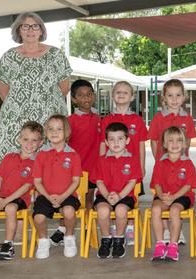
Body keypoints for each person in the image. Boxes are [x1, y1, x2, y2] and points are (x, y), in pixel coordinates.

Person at [0, 12, 72, 163]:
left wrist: (44, 104)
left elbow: (64, 87)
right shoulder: (8, 57)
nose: (31, 30)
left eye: (35, 26)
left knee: (50, 163)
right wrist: (21, 107)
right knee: (13, 164)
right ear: (18, 30)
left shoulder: (56, 55)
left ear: (41, 30)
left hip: (48, 119)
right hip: (15, 121)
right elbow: (4, 92)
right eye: (25, 26)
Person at [0, 121, 43, 261]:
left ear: (41, 143)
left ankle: (8, 245)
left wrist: (5, 201)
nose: (29, 144)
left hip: (19, 198)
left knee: (11, 209)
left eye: (34, 140)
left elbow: (26, 187)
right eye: (26, 139)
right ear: (19, 139)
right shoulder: (9, 158)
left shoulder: (37, 164)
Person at [99, 80, 147, 246]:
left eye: (125, 92)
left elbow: (141, 145)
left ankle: (130, 228)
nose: (121, 94)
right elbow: (101, 143)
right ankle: (113, 227)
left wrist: (142, 166)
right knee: (111, 194)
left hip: (131, 170)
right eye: (117, 92)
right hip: (112, 167)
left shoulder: (137, 120)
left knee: (130, 198)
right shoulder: (106, 120)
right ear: (112, 96)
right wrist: (102, 161)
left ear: (132, 96)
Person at [32, 115, 82, 259]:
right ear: (46, 133)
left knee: (68, 211)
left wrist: (62, 197)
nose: (54, 132)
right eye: (50, 129)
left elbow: (75, 181)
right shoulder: (41, 155)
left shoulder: (73, 155)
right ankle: (43, 241)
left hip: (67, 196)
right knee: (39, 217)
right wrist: (48, 197)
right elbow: (37, 182)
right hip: (45, 196)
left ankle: (69, 238)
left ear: (66, 132)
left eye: (59, 129)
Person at [91, 122, 141, 259]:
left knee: (120, 210)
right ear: (106, 142)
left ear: (127, 140)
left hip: (125, 196)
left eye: (120, 138)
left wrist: (119, 196)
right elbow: (99, 181)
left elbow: (132, 182)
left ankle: (119, 239)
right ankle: (106, 239)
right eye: (111, 139)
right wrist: (107, 195)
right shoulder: (101, 160)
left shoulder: (133, 160)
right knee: (102, 210)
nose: (116, 142)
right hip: (104, 195)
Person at [149, 127, 196, 262]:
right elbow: (156, 183)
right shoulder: (159, 163)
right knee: (155, 209)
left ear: (185, 144)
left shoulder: (188, 163)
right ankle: (159, 244)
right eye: (170, 141)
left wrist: (174, 198)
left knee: (175, 210)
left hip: (183, 196)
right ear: (164, 144)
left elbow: (188, 186)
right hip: (163, 195)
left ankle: (173, 245)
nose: (175, 144)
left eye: (179, 140)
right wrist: (162, 196)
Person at [67, 79, 100, 211]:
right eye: (81, 95)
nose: (86, 98)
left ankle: (87, 229)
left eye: (89, 94)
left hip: (94, 168)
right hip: (77, 169)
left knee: (89, 198)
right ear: (74, 99)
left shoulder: (99, 118)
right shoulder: (70, 121)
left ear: (94, 96)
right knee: (70, 199)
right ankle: (63, 228)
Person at [148, 78, 196, 160]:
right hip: (163, 162)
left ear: (183, 97)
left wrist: (182, 156)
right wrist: (158, 161)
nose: (174, 99)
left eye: (178, 95)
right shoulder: (157, 118)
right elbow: (154, 142)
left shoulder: (188, 118)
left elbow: (187, 141)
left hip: (181, 162)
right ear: (164, 97)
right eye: (170, 95)